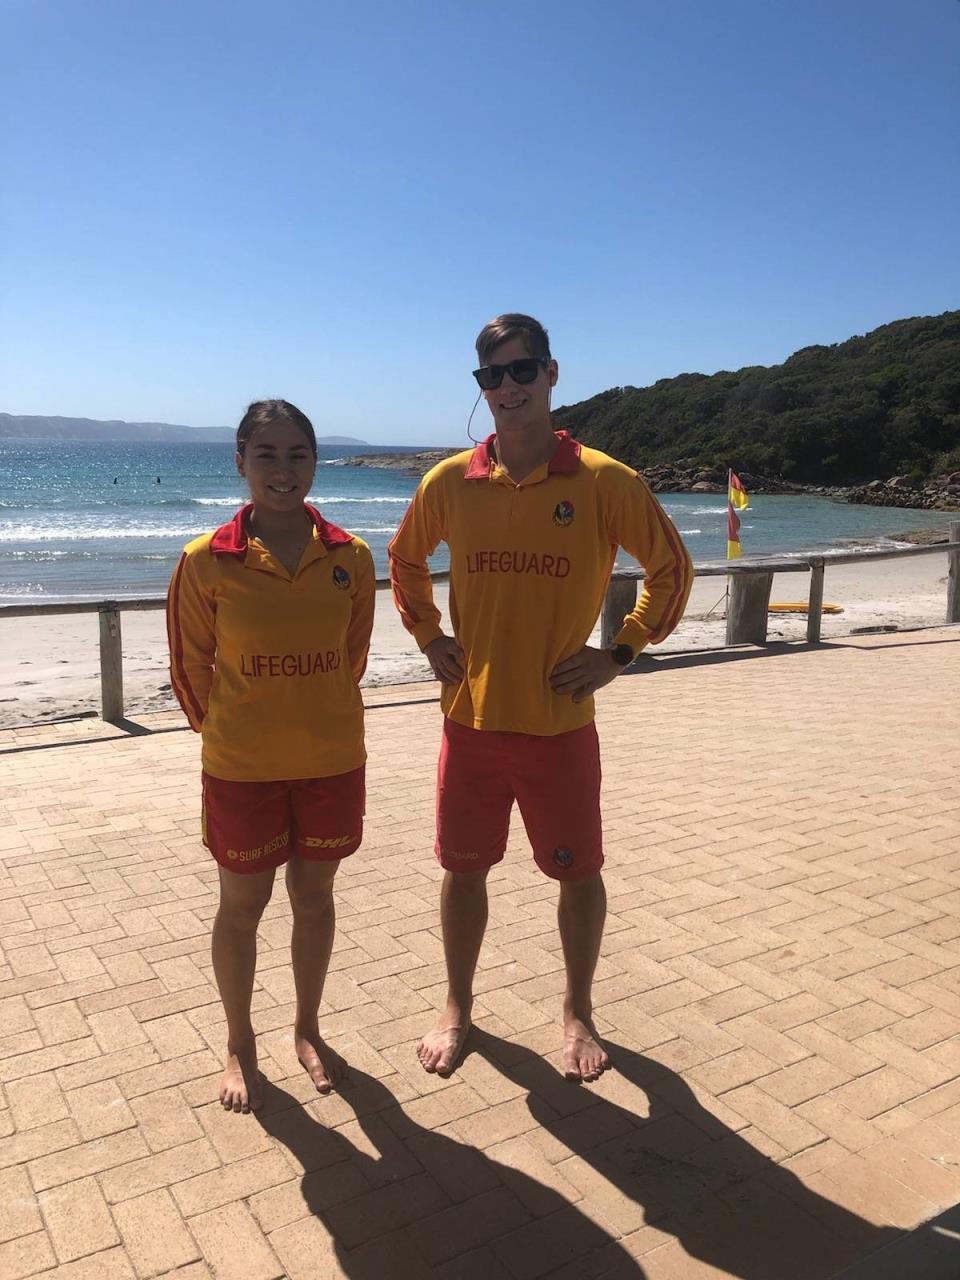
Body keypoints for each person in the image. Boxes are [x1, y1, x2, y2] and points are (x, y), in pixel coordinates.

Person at [388, 314, 693, 1082]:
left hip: (560, 724)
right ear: (480, 387)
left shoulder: (603, 479)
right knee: (462, 870)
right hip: (471, 722)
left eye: (523, 371)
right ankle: (457, 1005)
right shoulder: (451, 482)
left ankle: (578, 1009)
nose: (508, 388)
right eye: (492, 375)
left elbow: (671, 570)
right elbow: (401, 559)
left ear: (552, 375)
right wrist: (427, 638)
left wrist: (619, 652)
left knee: (578, 873)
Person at [167, 399, 374, 1113]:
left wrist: (310, 715)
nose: (283, 471)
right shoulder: (205, 561)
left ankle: (308, 1029)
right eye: (267, 455)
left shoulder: (351, 556)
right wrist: (231, 733)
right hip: (242, 770)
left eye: (297, 455)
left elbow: (351, 657)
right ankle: (237, 1040)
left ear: (314, 462)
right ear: (241, 463)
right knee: (242, 907)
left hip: (331, 761)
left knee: (315, 900)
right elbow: (189, 669)